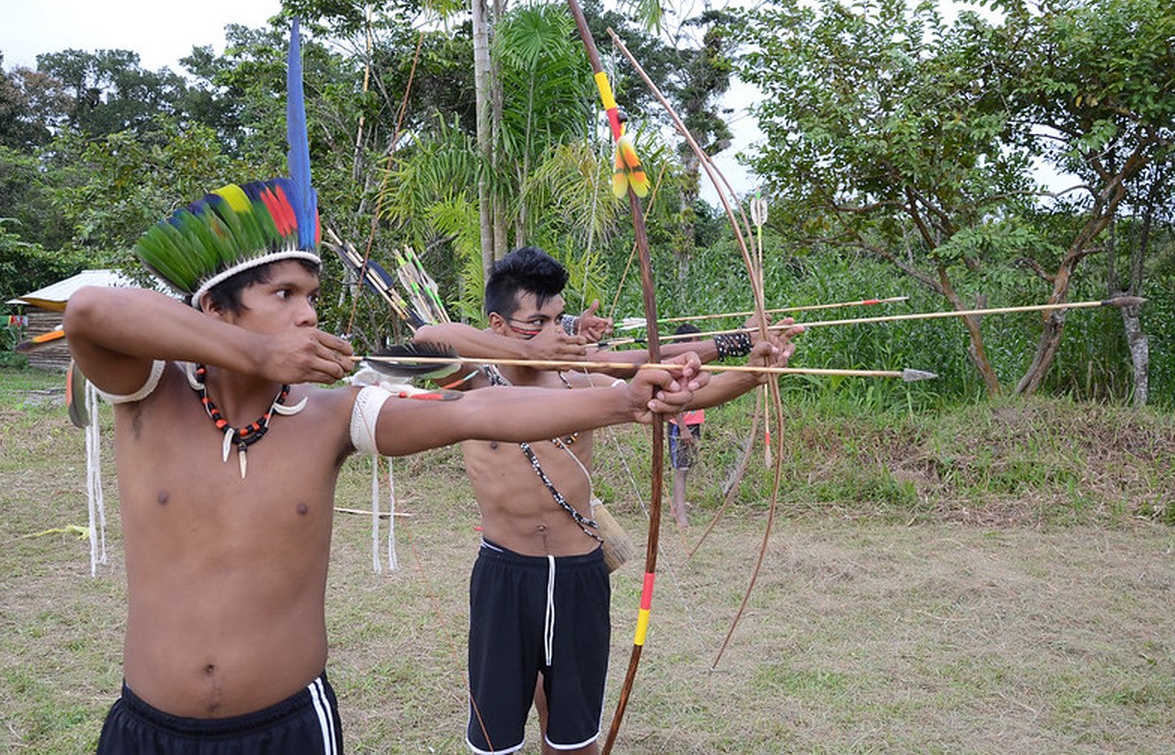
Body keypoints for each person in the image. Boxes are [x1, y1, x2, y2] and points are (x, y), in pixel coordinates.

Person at [64, 182, 708, 755]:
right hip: (149, 727)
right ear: (214, 310)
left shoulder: (330, 415)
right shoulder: (149, 393)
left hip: (291, 724)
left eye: (312, 296)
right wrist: (257, 354)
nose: (307, 314)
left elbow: (475, 410)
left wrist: (624, 400)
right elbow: (90, 311)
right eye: (283, 294)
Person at [412, 246, 802, 755]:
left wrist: (751, 370)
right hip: (505, 572)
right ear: (497, 325)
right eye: (537, 322)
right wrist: (524, 353)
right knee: (495, 739)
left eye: (558, 320)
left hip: (579, 571)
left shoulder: (582, 381)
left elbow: (666, 379)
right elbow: (427, 336)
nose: (554, 332)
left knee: (574, 738)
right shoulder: (471, 384)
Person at [667, 324, 705, 529]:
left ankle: (677, 508)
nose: (697, 347)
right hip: (680, 425)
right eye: (694, 342)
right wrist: (682, 427)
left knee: (685, 467)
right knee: (680, 469)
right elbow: (673, 401)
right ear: (681, 344)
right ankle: (681, 517)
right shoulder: (676, 368)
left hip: (693, 422)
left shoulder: (693, 366)